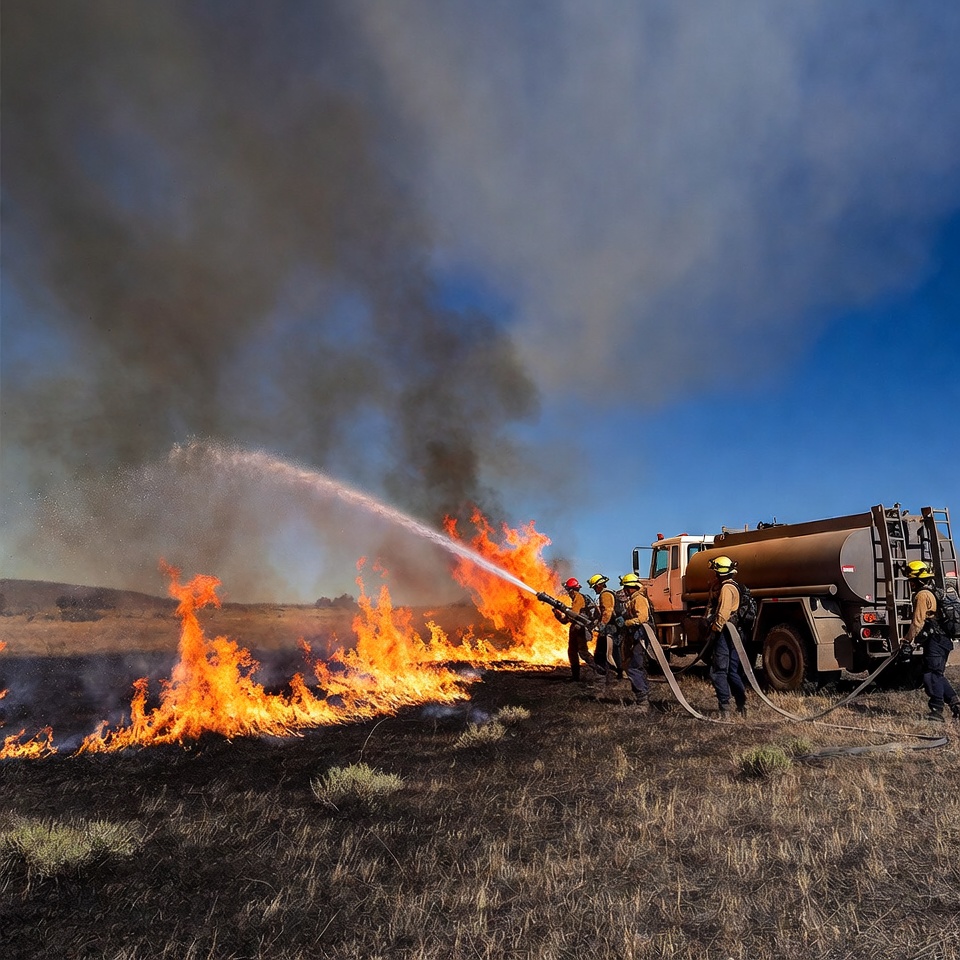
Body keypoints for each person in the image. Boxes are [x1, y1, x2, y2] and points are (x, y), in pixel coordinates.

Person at [903, 560, 960, 722]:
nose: (911, 584)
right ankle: (955, 703)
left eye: (912, 581)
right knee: (937, 674)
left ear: (919, 580)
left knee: (930, 675)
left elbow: (918, 622)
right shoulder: (934, 591)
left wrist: (907, 641)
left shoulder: (922, 595)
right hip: (943, 640)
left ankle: (936, 712)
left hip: (935, 640)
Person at [703, 555, 748, 718]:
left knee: (719, 670)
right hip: (735, 633)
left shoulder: (726, 589)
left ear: (718, 573)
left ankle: (725, 708)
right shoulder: (733, 586)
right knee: (732, 671)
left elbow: (722, 613)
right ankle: (742, 705)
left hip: (725, 632)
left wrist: (714, 629)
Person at [618, 573, 652, 713]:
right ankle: (642, 698)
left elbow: (642, 618)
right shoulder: (633, 599)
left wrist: (626, 623)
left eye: (626, 588)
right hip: (636, 636)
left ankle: (643, 703)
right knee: (635, 666)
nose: (625, 590)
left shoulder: (639, 599)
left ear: (632, 587)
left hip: (640, 636)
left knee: (633, 668)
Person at [552, 577, 597, 681]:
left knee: (583, 652)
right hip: (575, 629)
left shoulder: (578, 598)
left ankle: (599, 671)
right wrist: (558, 614)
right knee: (572, 652)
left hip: (580, 629)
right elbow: (565, 620)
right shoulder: (577, 599)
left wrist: (564, 610)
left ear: (571, 590)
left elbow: (573, 615)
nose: (568, 593)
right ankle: (575, 676)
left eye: (568, 590)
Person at [587, 574, 622, 686]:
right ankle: (616, 677)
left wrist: (600, 626)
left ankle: (602, 682)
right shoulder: (610, 592)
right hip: (613, 629)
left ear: (598, 585)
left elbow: (607, 612)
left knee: (601, 655)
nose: (594, 589)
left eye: (594, 587)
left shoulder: (605, 594)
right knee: (613, 653)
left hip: (609, 630)